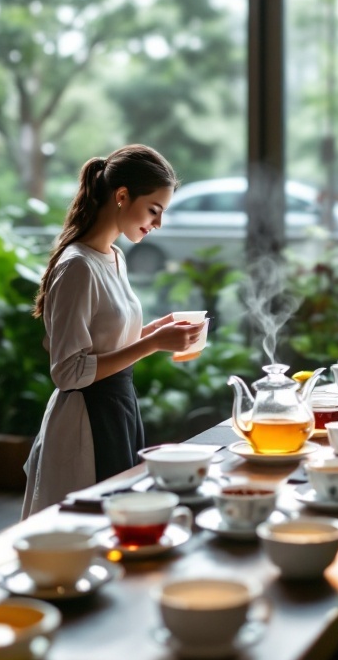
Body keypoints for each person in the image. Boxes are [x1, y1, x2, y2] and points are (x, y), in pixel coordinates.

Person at [22, 144, 204, 517]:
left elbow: (106, 341)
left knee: (123, 522)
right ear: (122, 196)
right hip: (87, 418)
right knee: (94, 527)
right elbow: (69, 372)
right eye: (154, 210)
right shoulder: (77, 267)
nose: (158, 223)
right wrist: (152, 343)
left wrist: (155, 330)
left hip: (118, 408)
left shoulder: (114, 257)